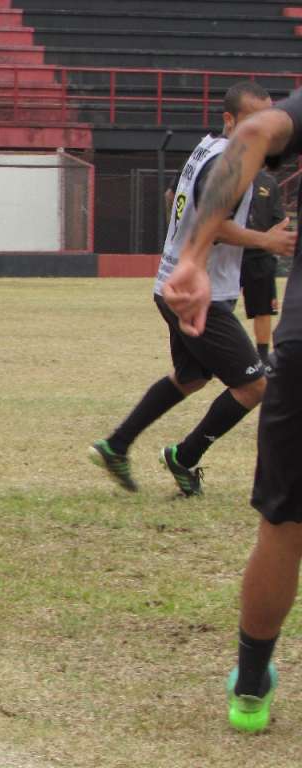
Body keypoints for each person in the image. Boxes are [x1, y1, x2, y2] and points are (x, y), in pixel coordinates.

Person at [163, 85, 302, 733]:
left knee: (284, 524)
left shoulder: (238, 137)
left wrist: (189, 256)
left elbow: (251, 139)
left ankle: (250, 685)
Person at [89, 81, 295, 496]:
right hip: (199, 295)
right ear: (229, 120)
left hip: (171, 283)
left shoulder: (204, 148)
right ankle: (184, 457)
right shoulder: (230, 163)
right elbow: (212, 224)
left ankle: (117, 444)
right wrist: (266, 241)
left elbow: (175, 199)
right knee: (255, 386)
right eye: (253, 120)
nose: (263, 131)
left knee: (190, 377)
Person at [240, 168, 286, 367]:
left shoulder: (268, 182)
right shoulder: (229, 177)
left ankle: (262, 357)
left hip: (259, 255)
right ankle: (214, 358)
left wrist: (266, 240)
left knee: (263, 309)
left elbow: (281, 220)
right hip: (227, 252)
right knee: (219, 305)